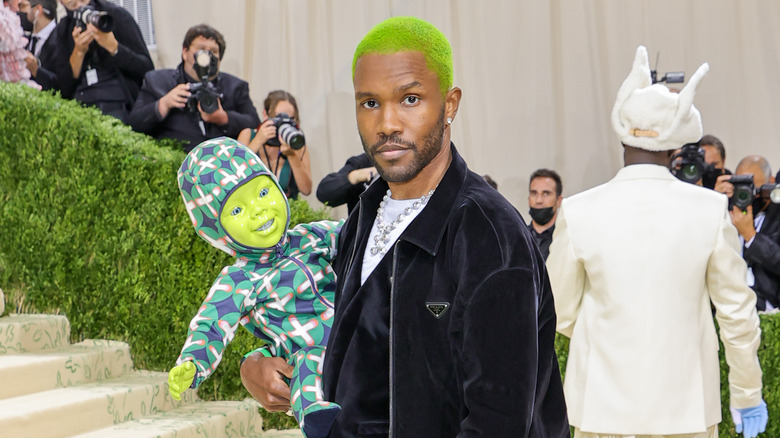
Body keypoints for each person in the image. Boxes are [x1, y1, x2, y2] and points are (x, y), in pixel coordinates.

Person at [240, 16, 569, 437]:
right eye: (370, 103)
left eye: (410, 99)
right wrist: (257, 366)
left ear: (449, 104)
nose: (387, 123)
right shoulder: (365, 213)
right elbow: (335, 337)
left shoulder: (489, 235)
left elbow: (498, 422)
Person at [547, 45, 767, 438]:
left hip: (602, 413)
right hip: (687, 414)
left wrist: (613, 326)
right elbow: (736, 315)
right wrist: (747, 394)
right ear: (676, 147)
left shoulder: (579, 211)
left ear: (621, 138)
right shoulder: (709, 210)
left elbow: (558, 312)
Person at [168, 137, 343, 438]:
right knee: (306, 369)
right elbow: (212, 322)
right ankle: (319, 419)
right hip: (307, 348)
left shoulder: (309, 236)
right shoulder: (238, 279)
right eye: (236, 211)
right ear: (216, 231)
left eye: (263, 192)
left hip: (353, 330)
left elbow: (356, 236)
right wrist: (193, 362)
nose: (259, 212)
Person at [128, 24, 260, 153]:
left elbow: (254, 124)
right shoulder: (158, 82)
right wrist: (163, 104)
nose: (207, 56)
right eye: (201, 49)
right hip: (175, 163)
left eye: (213, 51)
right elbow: (133, 125)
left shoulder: (235, 87)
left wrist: (223, 118)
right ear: (185, 52)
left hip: (220, 163)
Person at [51, 0, 153, 122]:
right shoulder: (64, 28)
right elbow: (64, 86)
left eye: (83, 0)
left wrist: (114, 48)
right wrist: (79, 52)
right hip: (81, 104)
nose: (80, 7)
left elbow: (147, 68)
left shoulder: (116, 15)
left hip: (120, 101)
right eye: (72, 4)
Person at [715, 155, 780, 312]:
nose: (749, 196)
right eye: (742, 188)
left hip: (770, 308)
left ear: (771, 182)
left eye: (755, 189)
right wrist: (715, 202)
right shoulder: (723, 210)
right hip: (730, 307)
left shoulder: (777, 214)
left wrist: (750, 236)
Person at [237, 90, 312, 200]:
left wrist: (292, 156)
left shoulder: (296, 142)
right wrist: (257, 141)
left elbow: (306, 189)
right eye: (279, 118)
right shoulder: (248, 136)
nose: (284, 124)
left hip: (288, 211)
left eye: (290, 119)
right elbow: (234, 176)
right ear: (265, 115)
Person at [22, 0, 58, 91]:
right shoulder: (27, 39)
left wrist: (36, 70)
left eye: (23, 6)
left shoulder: (60, 38)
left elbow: (63, 83)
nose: (21, 12)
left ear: (38, 9)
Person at [527, 168, 562, 260]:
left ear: (559, 201)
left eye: (546, 194)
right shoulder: (518, 237)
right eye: (534, 193)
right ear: (528, 199)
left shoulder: (566, 239)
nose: (539, 200)